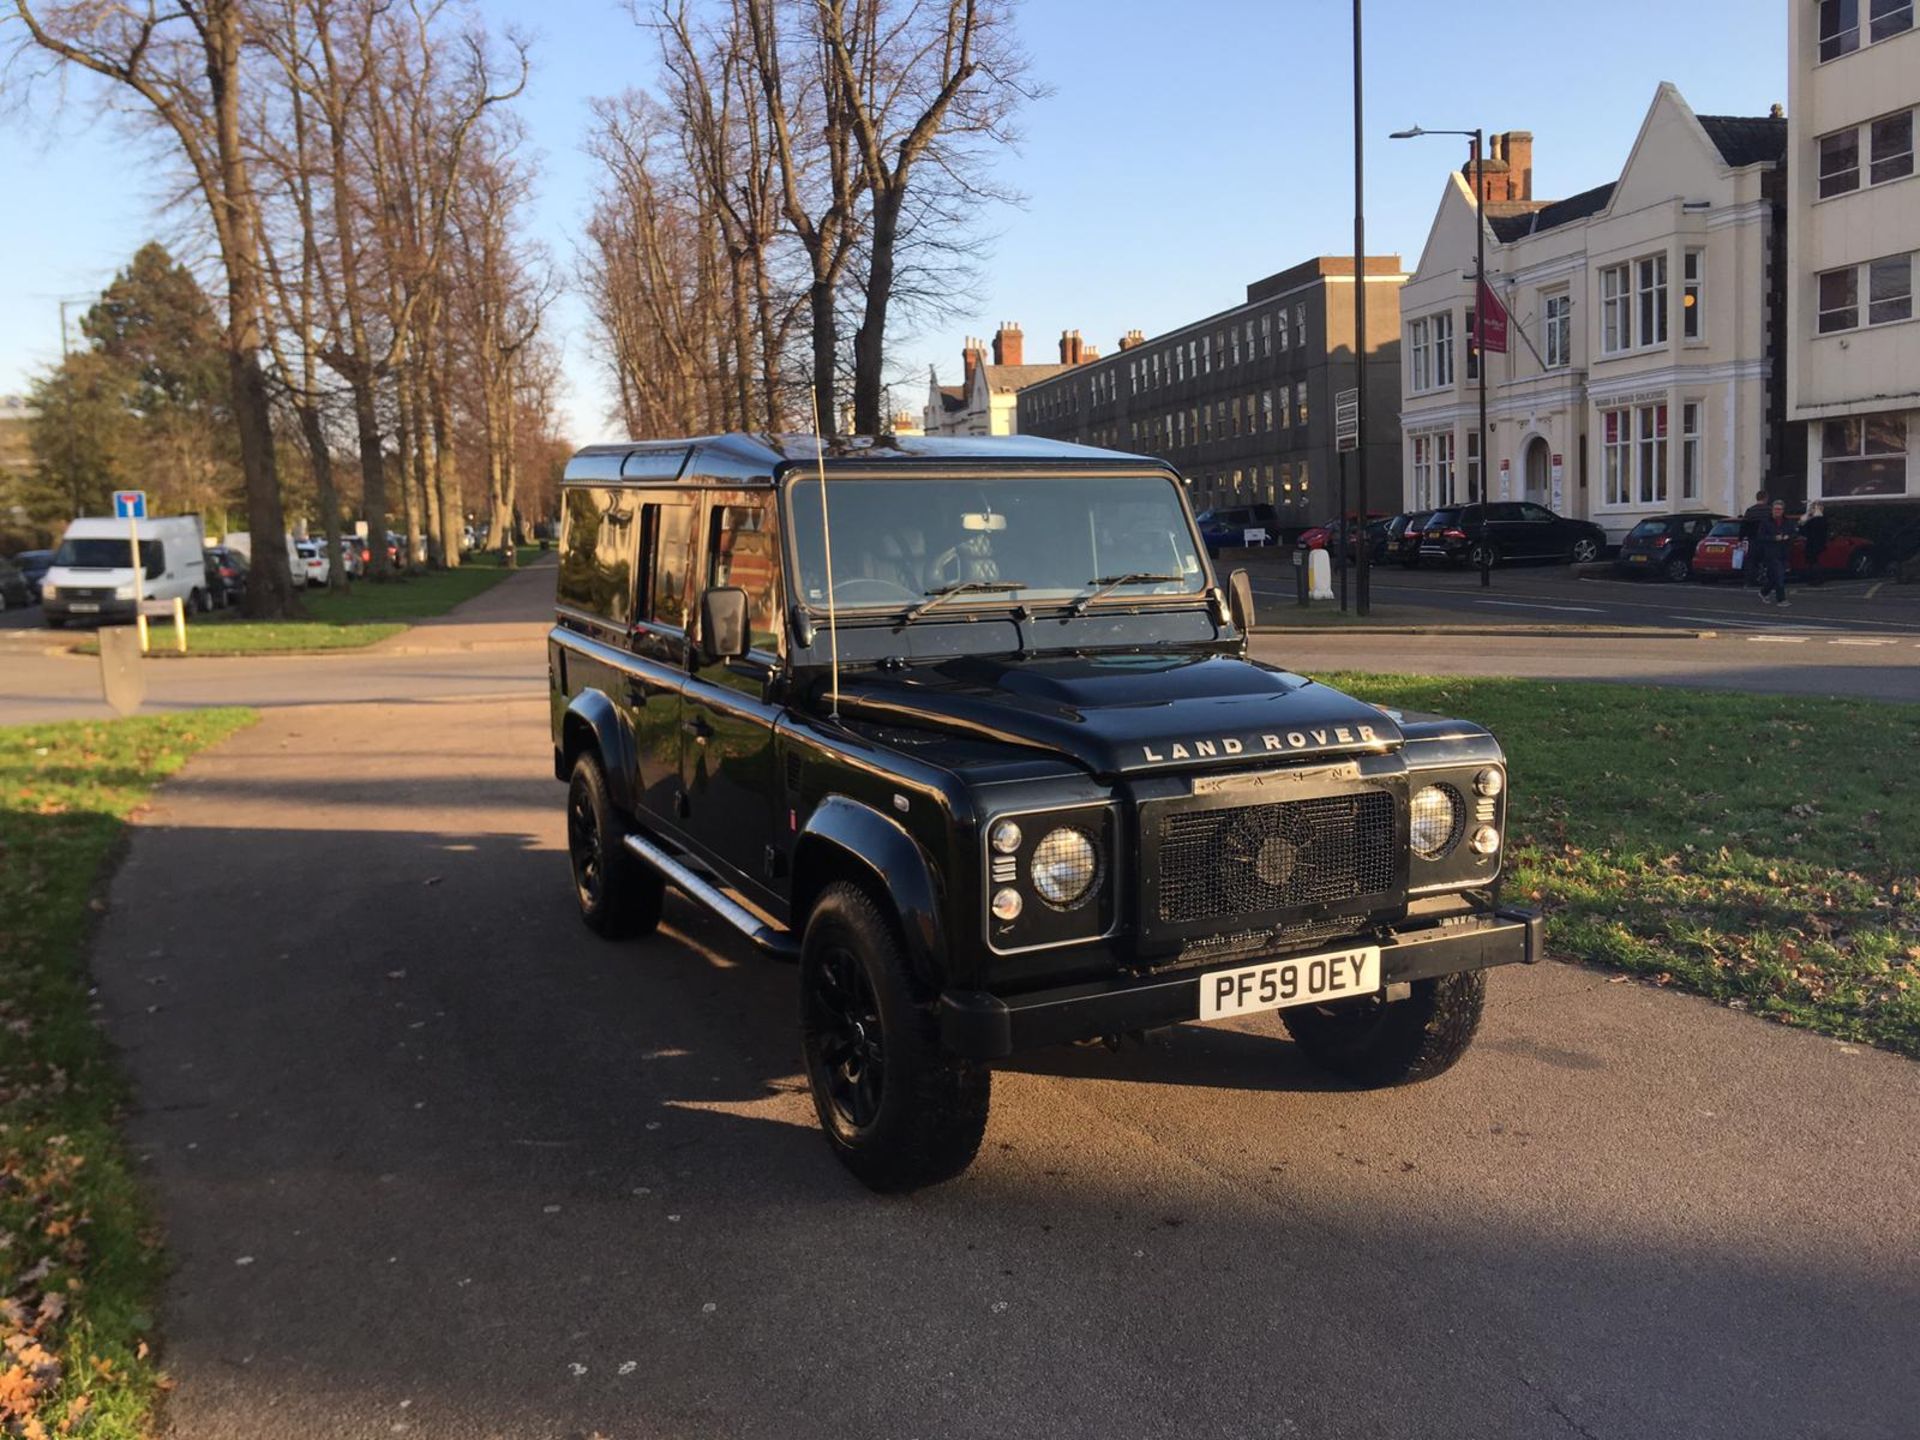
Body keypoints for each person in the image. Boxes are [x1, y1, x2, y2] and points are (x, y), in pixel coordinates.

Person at [1756, 498, 1799, 607]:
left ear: (1783, 510)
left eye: (1779, 509)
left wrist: (1788, 536)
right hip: (1771, 553)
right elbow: (1760, 537)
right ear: (1772, 510)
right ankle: (1781, 599)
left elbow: (1794, 533)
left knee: (1774, 577)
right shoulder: (1765, 522)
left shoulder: (1788, 522)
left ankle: (1763, 592)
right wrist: (1774, 538)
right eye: (1775, 509)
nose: (1777, 511)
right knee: (1779, 576)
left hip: (1783, 552)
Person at [1739, 487, 1770, 587]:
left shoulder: (1750, 511)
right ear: (1766, 498)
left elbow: (1744, 526)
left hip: (1753, 539)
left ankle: (1749, 581)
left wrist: (1740, 538)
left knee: (1751, 561)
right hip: (1766, 540)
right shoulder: (1769, 510)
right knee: (1768, 560)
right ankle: (1766, 579)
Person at [1802, 502, 1830, 572]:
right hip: (1814, 544)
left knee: (1815, 562)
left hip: (1815, 545)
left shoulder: (1818, 520)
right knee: (1814, 562)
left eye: (1813, 508)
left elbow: (1804, 530)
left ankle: (1816, 577)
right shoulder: (1821, 519)